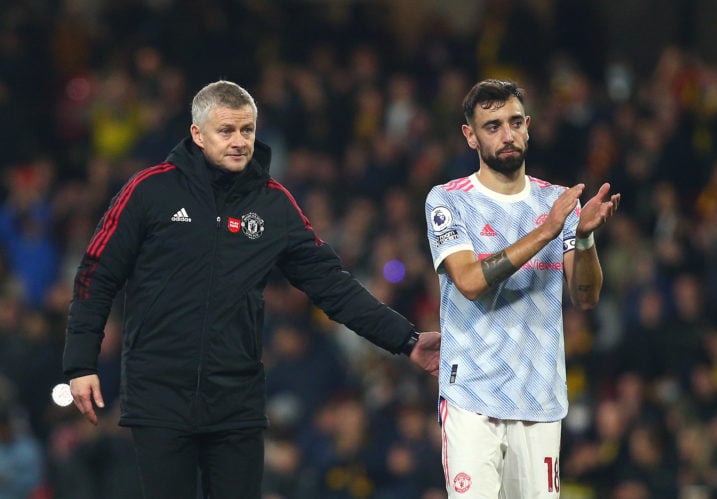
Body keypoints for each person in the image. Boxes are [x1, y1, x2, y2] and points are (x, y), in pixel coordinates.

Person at [63, 80, 440, 499]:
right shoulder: (149, 191)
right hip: (159, 397)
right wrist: (81, 363)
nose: (240, 141)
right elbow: (95, 275)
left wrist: (406, 340)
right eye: (227, 131)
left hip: (236, 401)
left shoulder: (273, 204)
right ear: (197, 134)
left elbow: (333, 287)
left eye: (247, 130)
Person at [424, 79, 620, 498]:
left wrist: (583, 239)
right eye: (492, 126)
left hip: (540, 397)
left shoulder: (558, 201)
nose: (507, 134)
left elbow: (585, 296)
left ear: (528, 126)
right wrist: (547, 231)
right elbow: (470, 281)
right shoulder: (448, 201)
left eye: (515, 122)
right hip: (472, 396)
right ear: (470, 136)